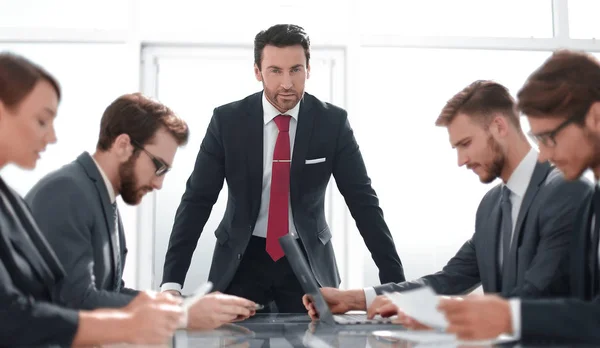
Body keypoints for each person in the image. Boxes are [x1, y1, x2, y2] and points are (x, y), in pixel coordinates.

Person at [160, 24, 405, 312]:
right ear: (257, 71)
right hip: (243, 258)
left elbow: (363, 202)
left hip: (306, 260)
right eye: (275, 70)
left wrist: (395, 285)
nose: (287, 83)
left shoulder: (332, 123)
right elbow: (197, 200)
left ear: (308, 69)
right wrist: (171, 283)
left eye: (295, 70)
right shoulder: (227, 122)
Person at [304, 80, 592, 320]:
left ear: (499, 127)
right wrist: (353, 299)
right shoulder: (492, 206)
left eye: (465, 144)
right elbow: (447, 280)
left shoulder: (568, 190)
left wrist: (432, 309)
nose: (461, 160)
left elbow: (535, 297)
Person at [25, 92, 258, 329]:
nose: (159, 184)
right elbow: (77, 301)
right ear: (123, 145)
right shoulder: (66, 191)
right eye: (159, 167)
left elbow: (111, 292)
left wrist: (193, 305)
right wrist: (182, 314)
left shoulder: (100, 195)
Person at [0, 52, 183, 346]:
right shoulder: (66, 191)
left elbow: (100, 290)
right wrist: (173, 314)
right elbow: (62, 302)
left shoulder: (16, 198)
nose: (52, 137)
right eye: (41, 120)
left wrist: (163, 305)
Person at [438, 50, 600, 343]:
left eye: (549, 138)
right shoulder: (591, 200)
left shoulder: (572, 192)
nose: (545, 154)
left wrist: (505, 316)